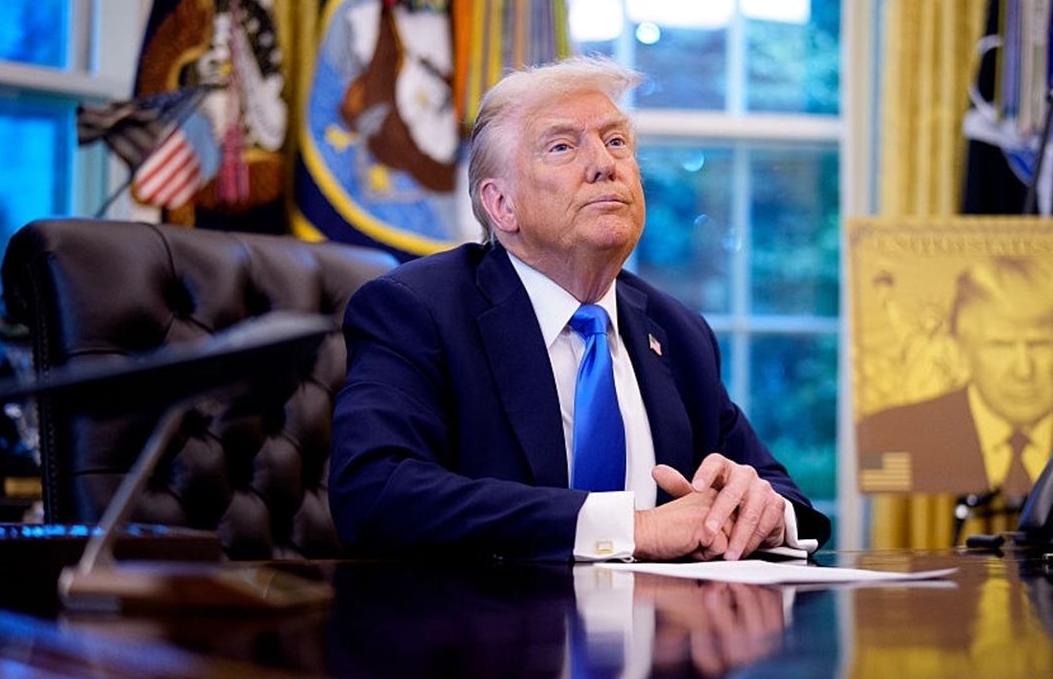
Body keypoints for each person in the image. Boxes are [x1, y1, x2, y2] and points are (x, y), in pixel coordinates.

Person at [329, 56, 830, 562]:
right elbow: (374, 491)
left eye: (616, 142)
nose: (604, 164)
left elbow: (783, 495)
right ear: (502, 205)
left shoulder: (677, 331)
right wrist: (632, 529)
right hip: (482, 611)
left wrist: (762, 512)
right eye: (562, 147)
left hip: (663, 613)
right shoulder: (418, 311)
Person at [856, 256, 1053, 497]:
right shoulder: (891, 434)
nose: (1023, 370)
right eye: (1001, 345)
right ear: (963, 351)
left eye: (1039, 344)